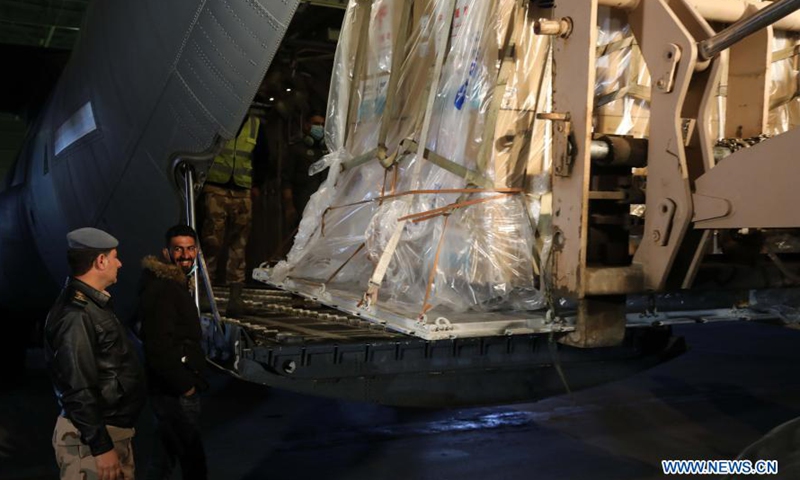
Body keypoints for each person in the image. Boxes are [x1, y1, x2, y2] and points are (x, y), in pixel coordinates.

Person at [45, 227, 146, 480]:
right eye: (115, 257)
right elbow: (76, 387)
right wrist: (101, 447)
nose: (119, 264)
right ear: (101, 261)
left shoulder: (93, 305)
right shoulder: (76, 314)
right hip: (92, 444)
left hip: (108, 433)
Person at [138, 224, 208, 480]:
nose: (185, 255)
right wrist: (185, 387)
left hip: (172, 389)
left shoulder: (174, 283)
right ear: (166, 253)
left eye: (190, 248)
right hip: (174, 393)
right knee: (193, 461)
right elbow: (157, 346)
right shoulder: (163, 288)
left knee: (164, 456)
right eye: (178, 249)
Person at [201, 112, 267, 316]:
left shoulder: (255, 125)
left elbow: (263, 158)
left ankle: (235, 298)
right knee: (211, 242)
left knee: (239, 246)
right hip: (216, 188)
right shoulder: (219, 118)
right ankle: (204, 293)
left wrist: (256, 184)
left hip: (242, 191)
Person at [282, 113, 328, 228]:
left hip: (324, 206)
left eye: (322, 124)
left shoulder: (328, 151)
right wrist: (289, 207)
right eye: (316, 124)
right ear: (306, 125)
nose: (320, 127)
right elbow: (286, 180)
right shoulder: (296, 149)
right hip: (302, 206)